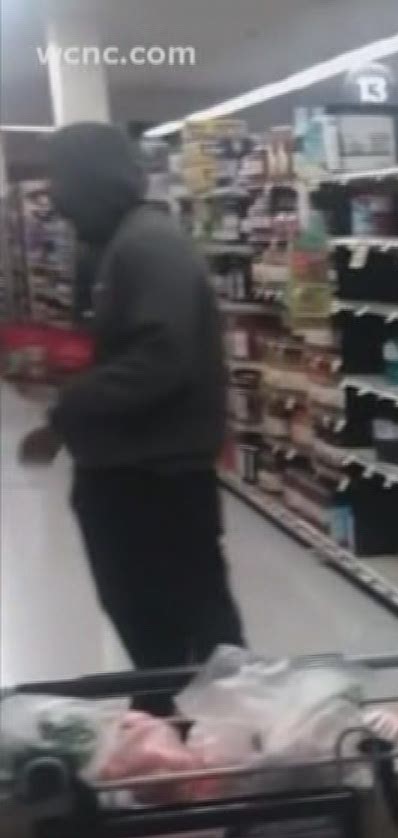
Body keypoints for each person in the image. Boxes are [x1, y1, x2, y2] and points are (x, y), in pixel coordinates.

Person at [16, 122, 244, 709]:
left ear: (95, 179)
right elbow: (135, 350)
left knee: (178, 626)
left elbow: (159, 357)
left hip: (153, 478)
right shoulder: (125, 243)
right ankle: (180, 727)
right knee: (162, 626)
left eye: (62, 180)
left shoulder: (146, 245)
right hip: (139, 470)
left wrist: (67, 412)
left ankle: (213, 738)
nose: (56, 200)